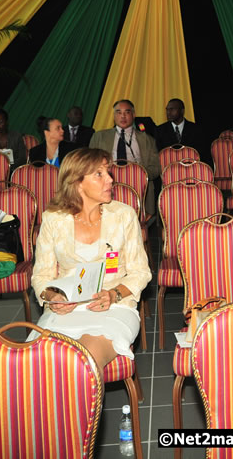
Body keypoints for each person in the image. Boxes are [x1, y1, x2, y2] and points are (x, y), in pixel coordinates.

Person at [30, 148, 151, 371]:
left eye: (108, 172)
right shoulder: (53, 220)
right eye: (99, 174)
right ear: (77, 183)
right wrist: (52, 297)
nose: (110, 179)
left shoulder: (123, 215)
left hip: (113, 309)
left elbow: (141, 272)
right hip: (65, 311)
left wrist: (113, 295)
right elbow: (41, 276)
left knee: (83, 361)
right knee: (38, 363)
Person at [89, 99, 161, 215]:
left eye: (127, 112)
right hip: (108, 186)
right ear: (114, 116)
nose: (123, 116)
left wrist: (137, 174)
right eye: (119, 112)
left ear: (133, 115)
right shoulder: (99, 137)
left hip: (137, 189)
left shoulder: (147, 139)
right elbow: (90, 165)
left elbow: (156, 168)